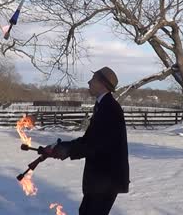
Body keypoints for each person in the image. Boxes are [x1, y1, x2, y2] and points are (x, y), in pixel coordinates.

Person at [47, 66, 130, 215]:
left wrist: (67, 150)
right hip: (100, 180)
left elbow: (95, 144)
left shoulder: (110, 108)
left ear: (102, 84)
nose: (89, 82)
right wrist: (62, 147)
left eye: (93, 80)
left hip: (106, 179)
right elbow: (90, 139)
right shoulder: (102, 105)